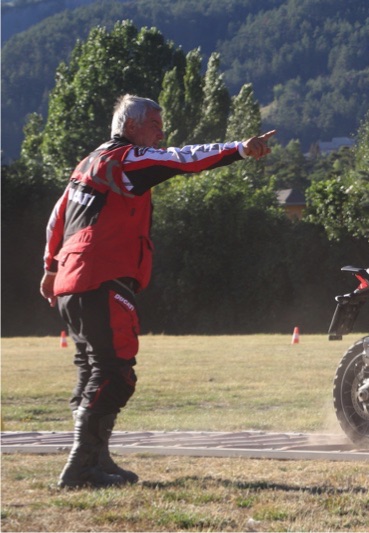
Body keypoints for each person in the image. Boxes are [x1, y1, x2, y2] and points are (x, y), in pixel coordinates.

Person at [39, 94, 276, 489]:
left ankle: (96, 458)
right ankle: (81, 467)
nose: (162, 134)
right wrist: (238, 149)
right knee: (115, 374)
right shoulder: (126, 158)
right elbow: (182, 159)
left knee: (92, 370)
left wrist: (49, 268)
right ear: (131, 126)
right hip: (102, 274)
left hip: (72, 279)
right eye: (155, 125)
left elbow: (57, 217)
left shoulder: (88, 163)